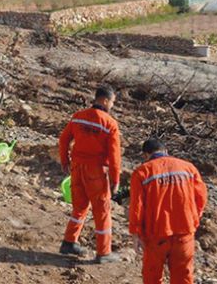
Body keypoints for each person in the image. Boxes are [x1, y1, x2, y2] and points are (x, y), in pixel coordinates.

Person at [129, 139, 208, 284]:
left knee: (152, 275)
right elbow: (201, 197)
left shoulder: (142, 172)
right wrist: (193, 219)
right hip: (184, 232)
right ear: (166, 151)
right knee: (183, 275)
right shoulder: (188, 168)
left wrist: (135, 233)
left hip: (156, 234)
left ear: (146, 155)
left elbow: (137, 206)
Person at [58, 85, 121, 263]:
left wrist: (65, 161)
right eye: (113, 103)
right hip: (96, 172)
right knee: (102, 212)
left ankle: (69, 242)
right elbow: (115, 156)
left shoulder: (78, 117)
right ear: (105, 100)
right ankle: (103, 252)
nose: (113, 106)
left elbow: (64, 139)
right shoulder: (109, 124)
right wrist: (115, 180)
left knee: (79, 207)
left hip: (77, 168)